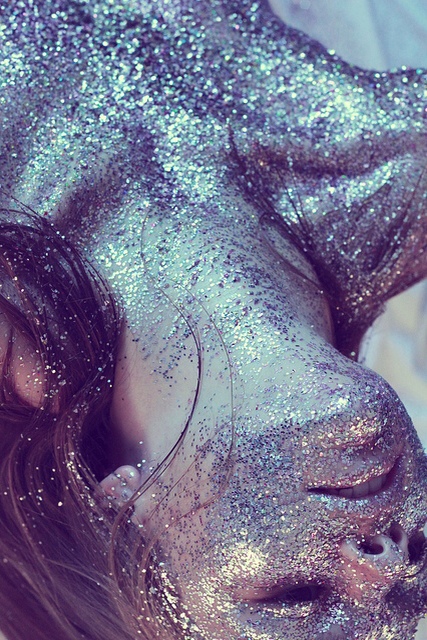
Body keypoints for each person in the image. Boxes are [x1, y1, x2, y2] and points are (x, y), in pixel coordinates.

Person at [0, 1, 426, 639]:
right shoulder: (386, 198)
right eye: (417, 577)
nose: (386, 563)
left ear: (129, 509)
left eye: (297, 595)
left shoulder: (23, 339)